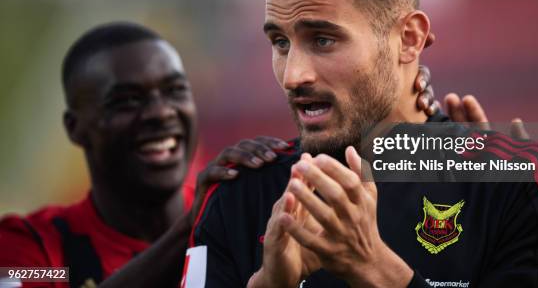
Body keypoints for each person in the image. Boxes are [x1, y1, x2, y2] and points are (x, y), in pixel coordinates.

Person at [185, 0, 538, 287]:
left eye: (323, 40)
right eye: (280, 42)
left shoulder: (522, 185)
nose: (293, 75)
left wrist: (374, 269)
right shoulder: (238, 195)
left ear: (409, 38)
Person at [0, 22, 437, 287]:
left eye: (174, 92)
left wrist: (428, 127)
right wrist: (188, 228)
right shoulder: (32, 249)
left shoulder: (250, 210)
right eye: (127, 101)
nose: (159, 113)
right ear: (75, 128)